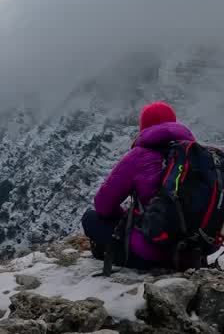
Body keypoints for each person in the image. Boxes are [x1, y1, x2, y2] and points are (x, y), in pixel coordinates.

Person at [81, 101, 194, 270]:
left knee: (90, 218)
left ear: (144, 127)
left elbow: (103, 205)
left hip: (156, 252)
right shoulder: (194, 154)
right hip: (194, 251)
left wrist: (126, 216)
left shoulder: (139, 156)